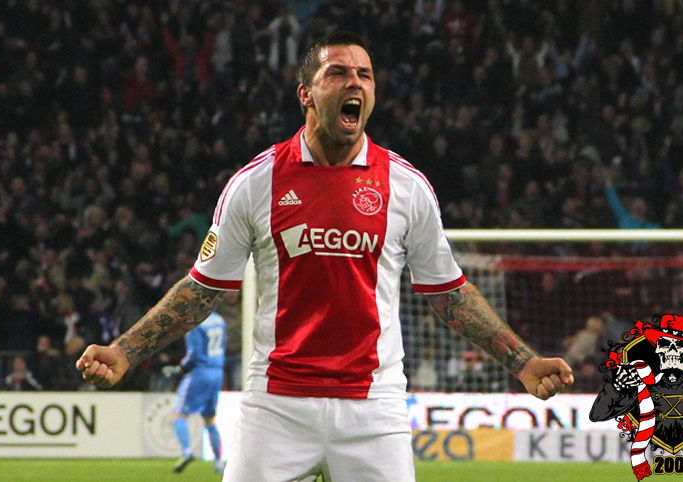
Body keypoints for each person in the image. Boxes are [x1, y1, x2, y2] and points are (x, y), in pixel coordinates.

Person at [77, 31, 574, 482]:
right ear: (306, 94)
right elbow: (202, 289)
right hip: (276, 405)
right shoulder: (256, 183)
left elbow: (450, 295)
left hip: (374, 408)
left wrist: (523, 362)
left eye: (365, 74)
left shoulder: (407, 187)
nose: (355, 82)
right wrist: (125, 350)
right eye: (337, 72)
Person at [163, 311, 227, 474]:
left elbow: (194, 355)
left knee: (179, 415)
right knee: (209, 419)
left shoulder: (195, 323)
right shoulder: (219, 319)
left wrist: (179, 369)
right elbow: (223, 345)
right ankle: (218, 462)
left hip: (201, 372)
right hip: (217, 371)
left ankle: (187, 452)